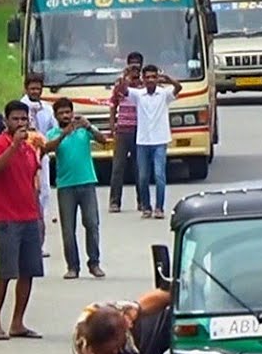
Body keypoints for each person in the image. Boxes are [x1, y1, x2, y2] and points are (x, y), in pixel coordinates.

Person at [0, 100, 45, 340]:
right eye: (15, 119)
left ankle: (18, 322)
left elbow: (32, 181)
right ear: (6, 121)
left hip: (29, 216)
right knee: (5, 272)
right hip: (6, 219)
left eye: (24, 119)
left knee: (28, 272)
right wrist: (13, 146)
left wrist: (39, 216)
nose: (20, 123)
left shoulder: (30, 149)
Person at [46, 97, 109, 278]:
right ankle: (72, 266)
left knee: (91, 224)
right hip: (65, 186)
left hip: (87, 182)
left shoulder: (83, 131)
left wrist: (88, 126)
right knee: (68, 229)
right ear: (56, 115)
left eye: (68, 112)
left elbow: (103, 140)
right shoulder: (53, 133)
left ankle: (94, 263)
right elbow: (47, 148)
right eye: (61, 113)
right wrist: (64, 133)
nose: (66, 116)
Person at [113, 64, 181, 219]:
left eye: (153, 77)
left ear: (157, 78)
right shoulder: (138, 95)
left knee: (159, 175)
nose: (150, 80)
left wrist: (168, 78)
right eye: (148, 77)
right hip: (143, 141)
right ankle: (146, 206)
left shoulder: (164, 94)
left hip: (160, 140)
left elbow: (178, 88)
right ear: (143, 79)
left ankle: (159, 207)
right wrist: (125, 75)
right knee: (143, 177)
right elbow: (121, 90)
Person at [21, 72, 57, 256]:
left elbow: (53, 131)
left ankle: (39, 243)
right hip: (24, 157)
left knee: (44, 195)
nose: (35, 91)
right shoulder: (21, 108)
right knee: (29, 195)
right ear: (26, 88)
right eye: (32, 88)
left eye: (38, 88)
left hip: (42, 156)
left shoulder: (48, 110)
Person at [107, 65, 146, 213]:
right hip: (122, 131)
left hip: (139, 131)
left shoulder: (143, 89)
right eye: (131, 73)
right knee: (118, 167)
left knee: (139, 167)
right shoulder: (120, 88)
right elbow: (112, 106)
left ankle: (142, 201)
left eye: (137, 73)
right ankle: (114, 201)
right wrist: (112, 126)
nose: (134, 77)